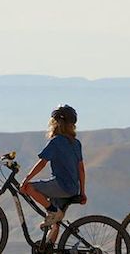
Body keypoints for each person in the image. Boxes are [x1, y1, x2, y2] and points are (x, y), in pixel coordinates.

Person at [20, 104, 87, 245]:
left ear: (55, 123)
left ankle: (52, 211)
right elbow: (81, 169)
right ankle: (49, 246)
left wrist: (26, 179)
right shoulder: (76, 143)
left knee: (28, 188)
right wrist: (82, 192)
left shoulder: (56, 142)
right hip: (72, 189)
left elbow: (42, 163)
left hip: (61, 186)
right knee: (56, 222)